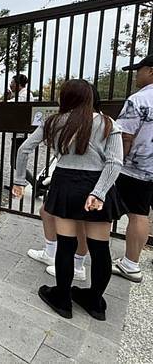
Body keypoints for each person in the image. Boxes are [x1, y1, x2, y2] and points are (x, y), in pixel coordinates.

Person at [13, 79, 124, 321]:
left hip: (65, 185)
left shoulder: (54, 121)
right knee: (100, 248)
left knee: (66, 245)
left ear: (66, 98)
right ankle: (95, 303)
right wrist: (99, 193)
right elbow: (115, 162)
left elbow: (23, 150)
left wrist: (20, 181)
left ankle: (62, 299)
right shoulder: (107, 123)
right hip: (98, 185)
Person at [27, 84, 104, 282]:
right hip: (91, 180)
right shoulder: (103, 121)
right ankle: (57, 255)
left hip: (75, 179)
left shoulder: (80, 121)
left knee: (75, 225)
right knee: (49, 212)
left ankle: (74, 266)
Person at [112, 53, 153, 283]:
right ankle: (132, 260)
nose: (137, 74)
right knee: (143, 212)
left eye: (140, 69)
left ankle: (130, 264)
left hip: (135, 167)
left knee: (133, 213)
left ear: (151, 71)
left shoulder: (139, 100)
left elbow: (125, 136)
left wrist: (117, 162)